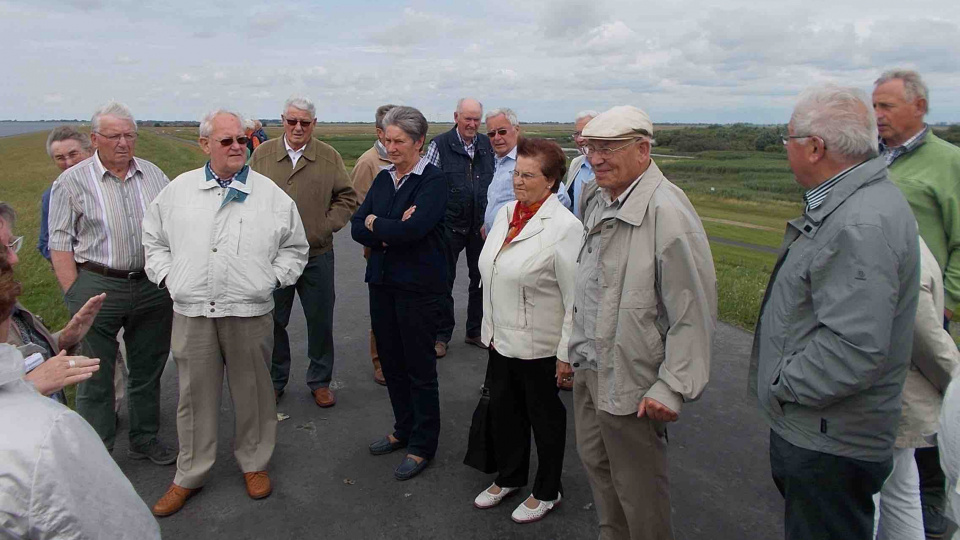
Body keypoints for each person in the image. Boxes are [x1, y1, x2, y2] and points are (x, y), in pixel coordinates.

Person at [749, 85, 920, 540]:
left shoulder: (859, 222)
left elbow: (854, 348)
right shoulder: (855, 203)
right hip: (826, 428)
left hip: (828, 436)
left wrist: (782, 384)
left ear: (815, 147)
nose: (785, 148)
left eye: (788, 138)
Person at [144, 110, 308, 517]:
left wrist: (269, 280)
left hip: (249, 311)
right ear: (205, 146)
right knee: (193, 397)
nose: (238, 147)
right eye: (227, 141)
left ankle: (254, 463)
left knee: (254, 392)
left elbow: (295, 247)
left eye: (243, 139)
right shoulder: (178, 191)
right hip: (193, 310)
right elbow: (154, 241)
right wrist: (170, 279)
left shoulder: (270, 194)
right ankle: (190, 473)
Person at [571, 105, 717, 540]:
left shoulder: (667, 212)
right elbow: (588, 285)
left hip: (634, 381)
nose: (596, 158)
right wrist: (571, 351)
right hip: (591, 367)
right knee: (599, 469)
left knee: (640, 490)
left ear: (642, 149)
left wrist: (673, 384)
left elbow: (693, 310)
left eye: (608, 148)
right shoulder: (597, 196)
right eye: (590, 147)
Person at [48, 101, 176, 463]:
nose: (123, 143)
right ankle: (98, 451)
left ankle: (145, 438)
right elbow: (59, 243)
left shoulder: (153, 174)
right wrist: (74, 294)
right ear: (95, 139)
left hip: (151, 286)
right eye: (114, 135)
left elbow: (172, 225)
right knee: (93, 373)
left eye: (129, 135)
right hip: (97, 283)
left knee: (148, 366)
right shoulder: (71, 182)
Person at [0, 254, 161, 540]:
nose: (15, 256)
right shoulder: (48, 435)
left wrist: (61, 340)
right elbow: (117, 529)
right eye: (7, 246)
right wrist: (25, 390)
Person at [473, 138, 582, 523]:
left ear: (551, 181)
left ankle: (548, 489)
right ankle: (510, 476)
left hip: (540, 343)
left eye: (528, 175)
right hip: (500, 337)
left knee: (544, 418)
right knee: (505, 411)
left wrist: (566, 353)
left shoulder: (566, 228)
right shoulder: (505, 213)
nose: (518, 181)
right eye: (516, 172)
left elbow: (574, 297)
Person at [873, 69, 960, 537]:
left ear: (919, 107)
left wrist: (948, 306)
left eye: (886, 106)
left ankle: (932, 512)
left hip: (924, 310)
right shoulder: (875, 159)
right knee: (897, 431)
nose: (878, 115)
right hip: (877, 313)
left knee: (929, 418)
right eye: (875, 106)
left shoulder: (949, 162)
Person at [351, 106, 447, 481]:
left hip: (418, 288)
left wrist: (381, 225)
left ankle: (423, 444)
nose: (390, 147)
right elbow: (358, 226)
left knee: (419, 367)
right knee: (391, 361)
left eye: (399, 141)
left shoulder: (433, 182)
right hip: (383, 284)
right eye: (386, 140)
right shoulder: (383, 178)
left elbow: (416, 230)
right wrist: (384, 224)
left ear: (419, 142)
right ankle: (403, 428)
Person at [250, 96, 358, 408]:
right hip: (273, 258)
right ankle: (274, 380)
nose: (298, 128)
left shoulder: (328, 156)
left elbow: (347, 198)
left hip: (317, 256)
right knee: (272, 321)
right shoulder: (262, 155)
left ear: (314, 124)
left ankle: (320, 381)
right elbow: (248, 194)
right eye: (292, 121)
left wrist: (324, 228)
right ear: (282, 120)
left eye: (305, 122)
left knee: (320, 321)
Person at [874, 238, 958, 540]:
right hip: (896, 401)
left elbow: (925, 335)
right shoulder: (906, 235)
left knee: (864, 495)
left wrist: (955, 384)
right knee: (900, 488)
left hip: (886, 401)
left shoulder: (892, 237)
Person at [1, 203, 102, 403]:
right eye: (2, 251)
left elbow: (22, 358)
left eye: (12, 245)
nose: (15, 259)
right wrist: (30, 387)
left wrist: (64, 339)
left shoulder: (6, 301)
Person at [423, 98, 494, 358]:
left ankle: (474, 331)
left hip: (480, 226)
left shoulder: (487, 145)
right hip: (449, 225)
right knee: (443, 281)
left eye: (477, 119)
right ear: (456, 117)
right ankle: (441, 336)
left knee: (481, 279)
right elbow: (429, 184)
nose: (472, 124)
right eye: (468, 119)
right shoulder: (439, 145)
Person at [351, 104, 396, 386]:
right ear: (379, 132)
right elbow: (358, 207)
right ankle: (380, 361)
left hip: (406, 244)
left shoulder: (408, 158)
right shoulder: (368, 162)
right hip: (379, 245)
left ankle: (401, 356)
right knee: (382, 306)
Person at [482, 108, 572, 238]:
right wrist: (488, 223)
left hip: (516, 240)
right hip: (496, 239)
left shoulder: (528, 161)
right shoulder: (500, 160)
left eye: (502, 132)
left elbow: (561, 197)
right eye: (491, 134)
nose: (497, 138)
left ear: (516, 129)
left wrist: (525, 227)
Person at [39, 126, 92, 261]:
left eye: (73, 154)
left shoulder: (113, 181)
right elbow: (46, 243)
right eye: (60, 157)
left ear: (90, 151)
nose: (68, 162)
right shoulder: (51, 195)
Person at [562, 110, 599, 220]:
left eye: (584, 133)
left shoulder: (610, 166)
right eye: (577, 134)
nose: (579, 139)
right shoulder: (576, 163)